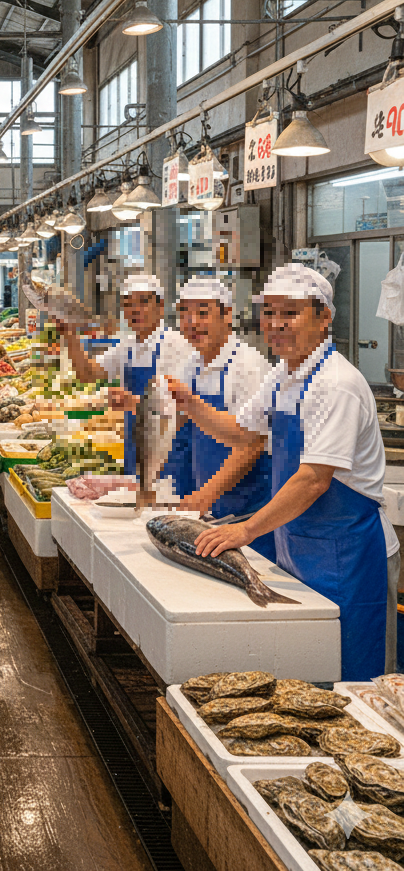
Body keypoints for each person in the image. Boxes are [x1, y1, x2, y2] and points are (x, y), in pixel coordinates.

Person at [168, 264, 399, 680]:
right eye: (269, 312)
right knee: (306, 670)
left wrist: (246, 530)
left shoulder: (335, 383)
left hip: (351, 555)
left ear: (323, 317)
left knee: (357, 675)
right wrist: (191, 403)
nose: (275, 324)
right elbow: (242, 433)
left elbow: (314, 479)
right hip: (301, 547)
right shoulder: (283, 376)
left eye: (289, 313)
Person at [58, 272, 196, 491]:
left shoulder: (177, 346)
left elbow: (182, 408)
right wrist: (70, 334)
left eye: (143, 302)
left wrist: (133, 403)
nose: (135, 310)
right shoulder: (128, 346)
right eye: (128, 304)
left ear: (160, 307)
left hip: (170, 456)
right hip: (135, 449)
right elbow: (88, 374)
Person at [174, 276, 274, 555]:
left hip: (247, 517)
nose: (193, 322)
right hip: (211, 514)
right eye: (185, 313)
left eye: (203, 312)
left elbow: (252, 446)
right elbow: (180, 424)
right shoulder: (190, 365)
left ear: (227, 315)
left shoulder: (248, 366)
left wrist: (204, 496)